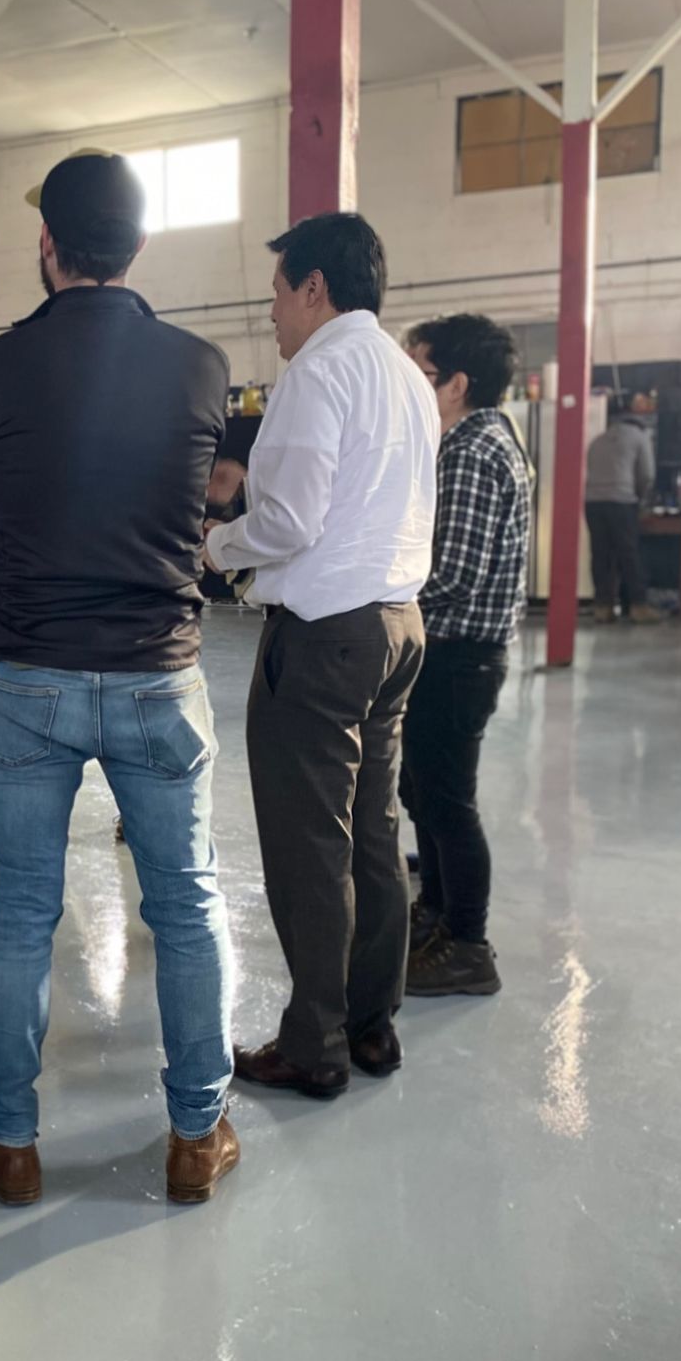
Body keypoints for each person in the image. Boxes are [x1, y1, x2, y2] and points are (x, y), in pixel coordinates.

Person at [0, 149, 239, 1206]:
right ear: (140, 246)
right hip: (160, 674)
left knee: (19, 911)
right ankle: (196, 1134)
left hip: (30, 678)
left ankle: (13, 1140)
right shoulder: (202, 365)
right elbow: (204, 495)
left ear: (47, 244)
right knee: (189, 904)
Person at [205, 211, 437, 1100]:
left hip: (326, 639)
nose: (271, 311)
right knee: (374, 833)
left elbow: (290, 521)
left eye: (276, 291)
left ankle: (314, 1044)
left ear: (313, 286)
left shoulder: (319, 372)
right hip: (396, 627)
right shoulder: (407, 378)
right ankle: (372, 1024)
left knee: (311, 844)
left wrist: (218, 546)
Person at [400, 313, 532, 997]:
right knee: (421, 790)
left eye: (421, 374)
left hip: (461, 657)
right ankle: (437, 912)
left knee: (448, 803)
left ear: (457, 383)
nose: (411, 385)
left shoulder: (477, 451)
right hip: (450, 651)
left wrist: (382, 587)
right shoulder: (465, 441)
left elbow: (454, 572)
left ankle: (468, 944)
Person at [584, 393, 661, 624]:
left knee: (601, 555)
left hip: (593, 503)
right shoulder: (640, 437)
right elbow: (647, 475)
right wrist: (639, 497)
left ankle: (602, 607)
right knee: (629, 554)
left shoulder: (598, 440)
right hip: (621, 502)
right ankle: (638, 606)